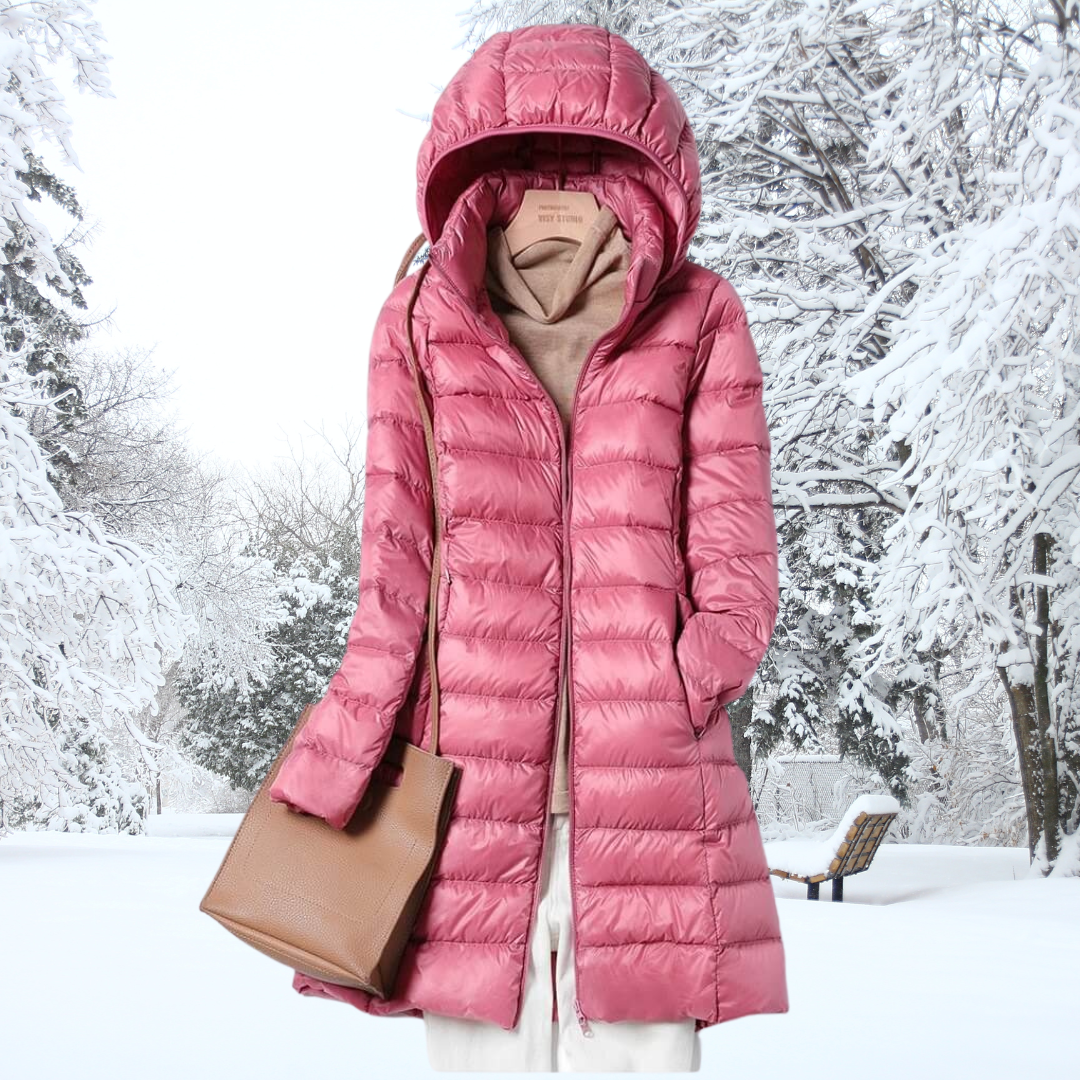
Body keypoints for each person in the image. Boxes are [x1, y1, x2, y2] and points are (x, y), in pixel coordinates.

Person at [268, 22, 788, 1072]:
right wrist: (345, 749)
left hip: (650, 776)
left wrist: (680, 683)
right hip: (464, 785)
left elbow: (738, 554)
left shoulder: (699, 313)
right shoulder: (421, 319)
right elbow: (395, 567)